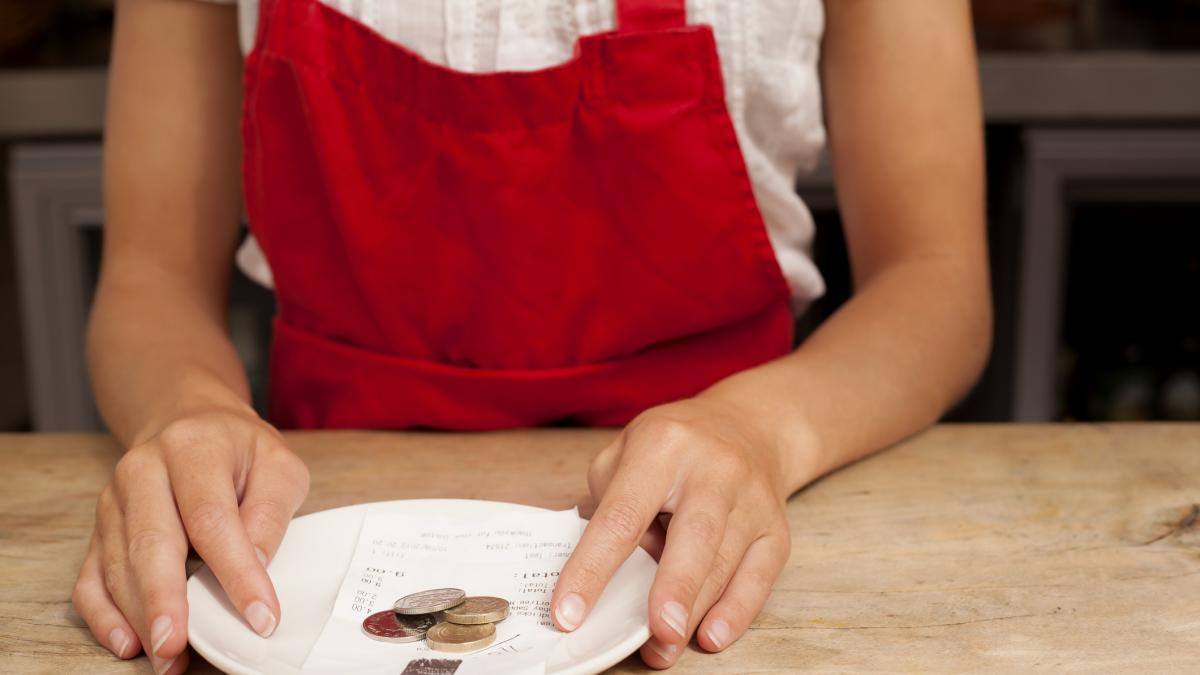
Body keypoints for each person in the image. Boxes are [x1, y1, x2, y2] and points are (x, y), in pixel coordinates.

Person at [72, 0, 991, 672]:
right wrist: (182, 409)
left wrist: (762, 430)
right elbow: (150, 276)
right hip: (308, 544)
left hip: (724, 530)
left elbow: (937, 281)